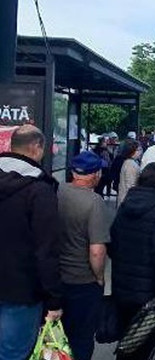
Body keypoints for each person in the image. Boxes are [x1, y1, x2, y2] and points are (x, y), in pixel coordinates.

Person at [0, 125, 63, 360]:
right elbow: (46, 250)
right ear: (37, 147)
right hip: (22, 291)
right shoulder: (39, 190)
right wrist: (54, 299)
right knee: (14, 353)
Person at [109, 163, 155, 359]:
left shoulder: (126, 203)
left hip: (123, 286)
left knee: (127, 340)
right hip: (149, 291)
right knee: (146, 344)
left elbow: (113, 237)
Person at [57, 151, 110, 360]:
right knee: (81, 338)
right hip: (83, 281)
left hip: (57, 278)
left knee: (58, 336)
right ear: (95, 174)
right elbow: (97, 250)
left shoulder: (58, 191)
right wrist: (99, 277)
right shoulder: (94, 202)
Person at [116, 139, 142, 207]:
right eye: (138, 149)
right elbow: (131, 186)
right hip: (128, 202)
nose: (140, 152)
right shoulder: (131, 165)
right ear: (132, 151)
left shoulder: (129, 162)